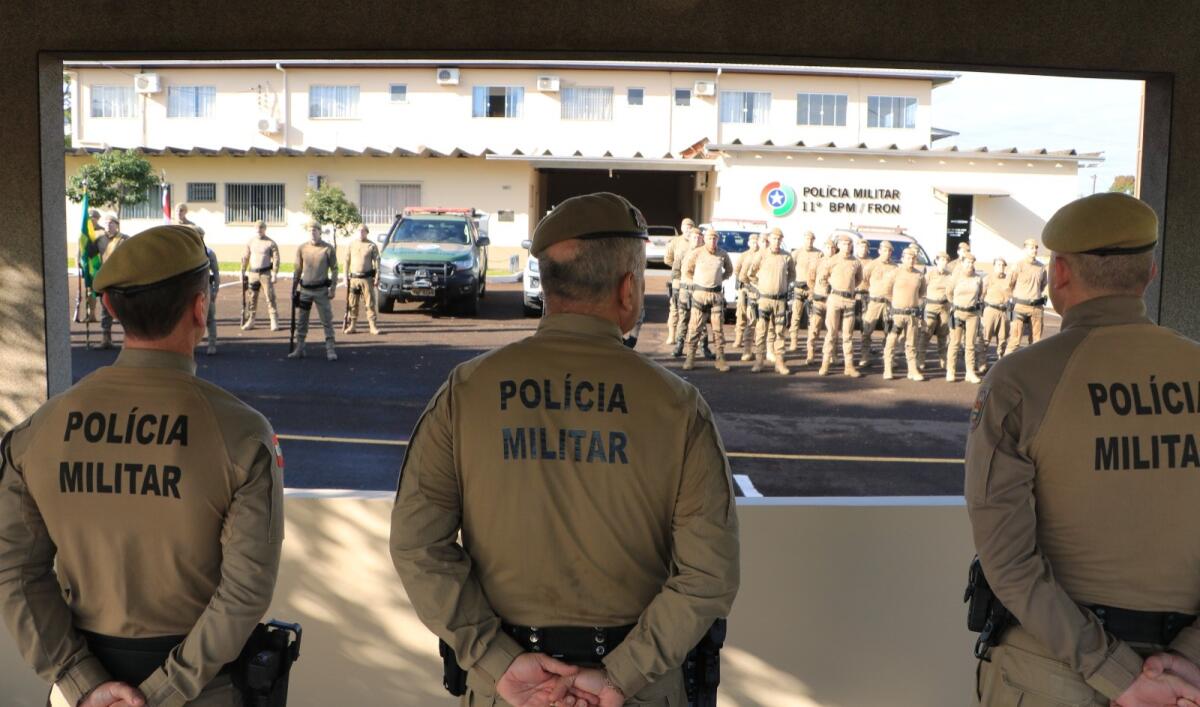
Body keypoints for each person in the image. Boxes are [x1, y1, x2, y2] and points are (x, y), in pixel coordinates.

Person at [389, 191, 740, 707]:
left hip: (508, 692)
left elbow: (417, 545)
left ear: (548, 291)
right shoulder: (677, 406)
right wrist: (621, 674)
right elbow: (709, 573)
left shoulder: (467, 391)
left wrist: (496, 661)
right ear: (628, 290)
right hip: (634, 692)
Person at [0, 224, 284, 707]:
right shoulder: (241, 435)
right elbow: (245, 592)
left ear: (110, 308)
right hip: (201, 692)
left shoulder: (36, 433)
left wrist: (79, 680)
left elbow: (16, 573)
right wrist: (163, 690)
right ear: (201, 308)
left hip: (84, 695)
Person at [966, 192, 1200, 707]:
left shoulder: (1019, 381)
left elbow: (1007, 559)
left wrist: (1117, 674)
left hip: (1050, 675)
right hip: (1184, 683)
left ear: (1060, 273)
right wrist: (1187, 659)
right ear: (1150, 271)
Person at [682, 228, 735, 372]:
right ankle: (690, 357)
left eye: (715, 238)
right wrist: (697, 283)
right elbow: (687, 271)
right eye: (710, 238)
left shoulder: (723, 254)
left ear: (718, 240)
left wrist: (720, 280)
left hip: (716, 296)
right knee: (695, 328)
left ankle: (720, 359)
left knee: (718, 329)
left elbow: (729, 270)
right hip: (699, 295)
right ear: (705, 239)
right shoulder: (697, 253)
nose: (712, 241)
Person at [288, 221, 340, 361]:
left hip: (321, 291)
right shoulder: (302, 248)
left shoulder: (327, 249)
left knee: (327, 320)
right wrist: (293, 289)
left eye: (315, 230)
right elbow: (297, 270)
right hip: (305, 290)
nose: (312, 232)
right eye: (310, 230)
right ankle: (299, 348)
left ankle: (330, 349)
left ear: (320, 232)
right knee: (302, 321)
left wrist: (333, 288)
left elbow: (335, 269)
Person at [747, 228, 794, 375]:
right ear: (769, 240)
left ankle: (779, 362)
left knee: (780, 332)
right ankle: (759, 361)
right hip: (764, 300)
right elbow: (751, 274)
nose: (777, 242)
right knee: (761, 331)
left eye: (779, 239)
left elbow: (792, 274)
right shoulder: (761, 255)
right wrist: (760, 285)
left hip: (780, 300)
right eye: (774, 239)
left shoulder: (787, 257)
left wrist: (784, 285)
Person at [820, 234, 863, 377]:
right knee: (831, 333)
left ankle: (849, 366)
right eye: (844, 244)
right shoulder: (831, 261)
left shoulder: (856, 262)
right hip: (834, 299)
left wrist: (848, 291)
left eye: (849, 244)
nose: (847, 246)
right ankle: (825, 364)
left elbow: (858, 280)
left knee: (848, 335)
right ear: (839, 245)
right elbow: (823, 278)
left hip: (849, 301)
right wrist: (830, 292)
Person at [882, 247, 926, 381]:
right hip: (897, 315)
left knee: (911, 343)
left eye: (913, 258)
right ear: (902, 258)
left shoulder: (919, 275)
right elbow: (886, 291)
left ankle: (912, 370)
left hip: (912, 314)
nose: (911, 260)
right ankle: (887, 369)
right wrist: (896, 304)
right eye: (908, 258)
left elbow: (921, 293)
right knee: (891, 341)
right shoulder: (895, 273)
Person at [1006, 237, 1049, 355]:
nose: (1034, 250)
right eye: (1031, 248)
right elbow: (1009, 285)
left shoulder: (1041, 267)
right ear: (1025, 249)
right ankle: (1003, 368)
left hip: (1036, 307)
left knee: (1036, 342)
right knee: (1014, 341)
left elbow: (1043, 285)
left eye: (1036, 248)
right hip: (1020, 306)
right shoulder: (1018, 266)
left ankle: (1031, 370)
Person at [945, 253, 983, 384]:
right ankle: (951, 371)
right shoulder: (955, 277)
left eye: (972, 262)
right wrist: (957, 304)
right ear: (962, 263)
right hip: (957, 313)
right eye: (967, 262)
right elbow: (949, 293)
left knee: (970, 345)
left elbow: (980, 294)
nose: (970, 265)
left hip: (972, 314)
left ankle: (970, 372)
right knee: (954, 343)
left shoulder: (977, 278)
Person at [858, 241, 896, 368]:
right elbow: (864, 280)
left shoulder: (895, 267)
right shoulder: (871, 265)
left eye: (889, 251)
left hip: (888, 304)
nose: (887, 253)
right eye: (884, 250)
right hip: (874, 302)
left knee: (890, 331)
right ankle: (865, 356)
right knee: (867, 329)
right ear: (879, 251)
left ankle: (888, 359)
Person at [240, 219, 281, 332]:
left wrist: (274, 273)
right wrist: (242, 271)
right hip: (253, 273)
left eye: (261, 228)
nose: (259, 230)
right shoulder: (250, 242)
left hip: (265, 274)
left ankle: (274, 320)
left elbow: (276, 259)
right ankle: (251, 320)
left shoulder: (270, 243)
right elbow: (245, 257)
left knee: (270, 297)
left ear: (264, 229)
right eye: (257, 228)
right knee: (252, 298)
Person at [96, 217, 129, 350]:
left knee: (123, 309)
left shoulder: (124, 239)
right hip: (105, 278)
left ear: (117, 225)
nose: (108, 226)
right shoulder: (99, 240)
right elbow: (90, 255)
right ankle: (106, 339)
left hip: (120, 278)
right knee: (105, 308)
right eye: (106, 224)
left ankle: (129, 339)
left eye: (111, 223)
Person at [343, 223, 381, 335]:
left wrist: (377, 276)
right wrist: (345, 277)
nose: (361, 232)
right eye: (359, 230)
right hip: (354, 279)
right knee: (352, 303)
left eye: (363, 231)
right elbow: (346, 262)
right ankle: (352, 325)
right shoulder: (351, 245)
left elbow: (377, 263)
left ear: (367, 232)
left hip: (367, 279)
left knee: (370, 303)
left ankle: (372, 326)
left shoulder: (372, 246)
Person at [919, 252, 953, 373]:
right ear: (937, 261)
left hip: (944, 307)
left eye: (946, 260)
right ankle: (921, 358)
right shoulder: (930, 274)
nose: (944, 262)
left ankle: (943, 359)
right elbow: (922, 288)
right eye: (941, 259)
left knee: (943, 334)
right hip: (931, 305)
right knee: (926, 332)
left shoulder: (950, 275)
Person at [662, 218, 695, 345]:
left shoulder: (697, 242)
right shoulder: (675, 242)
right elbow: (667, 259)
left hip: (692, 281)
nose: (688, 230)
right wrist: (679, 267)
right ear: (681, 228)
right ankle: (672, 335)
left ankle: (689, 335)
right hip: (678, 280)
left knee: (692, 309)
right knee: (675, 308)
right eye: (686, 227)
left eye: (690, 227)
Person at [805, 237, 836, 366]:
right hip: (818, 299)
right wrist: (814, 291)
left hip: (832, 301)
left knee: (833, 329)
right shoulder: (817, 262)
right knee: (814, 328)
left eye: (832, 248)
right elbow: (810, 279)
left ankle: (833, 354)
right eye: (828, 247)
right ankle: (810, 353)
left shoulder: (838, 262)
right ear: (824, 248)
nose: (830, 250)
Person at [788, 231, 819, 352]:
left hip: (812, 290)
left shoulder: (818, 254)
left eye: (811, 239)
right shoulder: (796, 253)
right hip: (798, 289)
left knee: (813, 318)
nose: (809, 242)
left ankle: (811, 344)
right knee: (795, 316)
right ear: (804, 239)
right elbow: (789, 269)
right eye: (807, 239)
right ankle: (793, 342)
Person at [979, 257, 1012, 371]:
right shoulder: (988, 279)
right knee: (985, 338)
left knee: (1003, 338)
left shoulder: (1008, 280)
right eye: (998, 265)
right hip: (990, 310)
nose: (1000, 267)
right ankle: (982, 363)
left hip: (1003, 311)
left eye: (1002, 265)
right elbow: (981, 295)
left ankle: (1000, 362)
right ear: (994, 266)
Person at [732, 232, 761, 352]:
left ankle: (755, 339)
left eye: (756, 242)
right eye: (752, 242)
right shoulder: (743, 255)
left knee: (754, 315)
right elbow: (736, 270)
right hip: (744, 288)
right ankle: (738, 338)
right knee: (741, 313)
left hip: (756, 289)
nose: (755, 244)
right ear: (748, 243)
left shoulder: (761, 255)